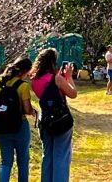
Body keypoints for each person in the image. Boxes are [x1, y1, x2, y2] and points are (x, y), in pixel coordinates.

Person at [31, 48, 77, 182]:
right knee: (61, 156)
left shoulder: (35, 81)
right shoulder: (56, 79)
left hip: (45, 120)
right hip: (61, 120)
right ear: (52, 62)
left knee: (47, 155)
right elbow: (73, 94)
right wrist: (68, 77)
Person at [0, 56, 35, 182]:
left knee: (5, 162)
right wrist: (33, 112)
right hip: (19, 126)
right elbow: (27, 109)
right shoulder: (23, 86)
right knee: (23, 161)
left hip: (1, 127)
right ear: (25, 71)